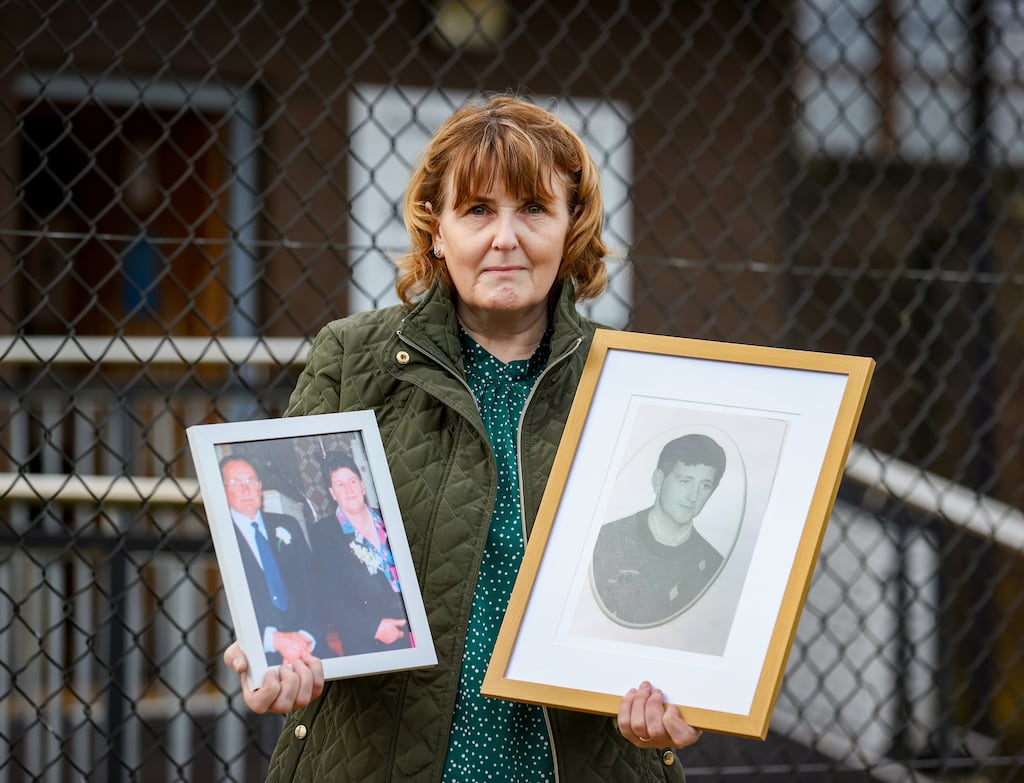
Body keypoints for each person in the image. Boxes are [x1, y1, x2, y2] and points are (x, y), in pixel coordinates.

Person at [223, 94, 702, 781]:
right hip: (379, 759)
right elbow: (294, 557)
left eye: (533, 208)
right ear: (435, 228)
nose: (505, 236)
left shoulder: (635, 384)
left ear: (572, 226)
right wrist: (274, 646)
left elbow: (672, 598)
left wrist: (684, 691)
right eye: (477, 209)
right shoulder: (350, 359)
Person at [592, 434, 728, 628]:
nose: (694, 496)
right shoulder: (605, 539)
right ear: (658, 481)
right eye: (685, 481)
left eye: (705, 486)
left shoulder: (714, 566)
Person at [307, 451, 410, 656]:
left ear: (362, 485)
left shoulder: (389, 517)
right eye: (340, 485)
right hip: (369, 642)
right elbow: (330, 597)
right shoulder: (324, 533)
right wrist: (372, 628)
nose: (349, 490)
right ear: (332, 493)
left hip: (414, 629)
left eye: (353, 481)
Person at [221, 455, 318, 666]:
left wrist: (307, 638)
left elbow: (313, 584)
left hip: (310, 645)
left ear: (259, 487)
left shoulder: (288, 525)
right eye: (236, 483)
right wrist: (272, 640)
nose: (246, 489)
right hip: (259, 656)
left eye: (250, 481)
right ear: (222, 491)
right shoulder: (220, 539)